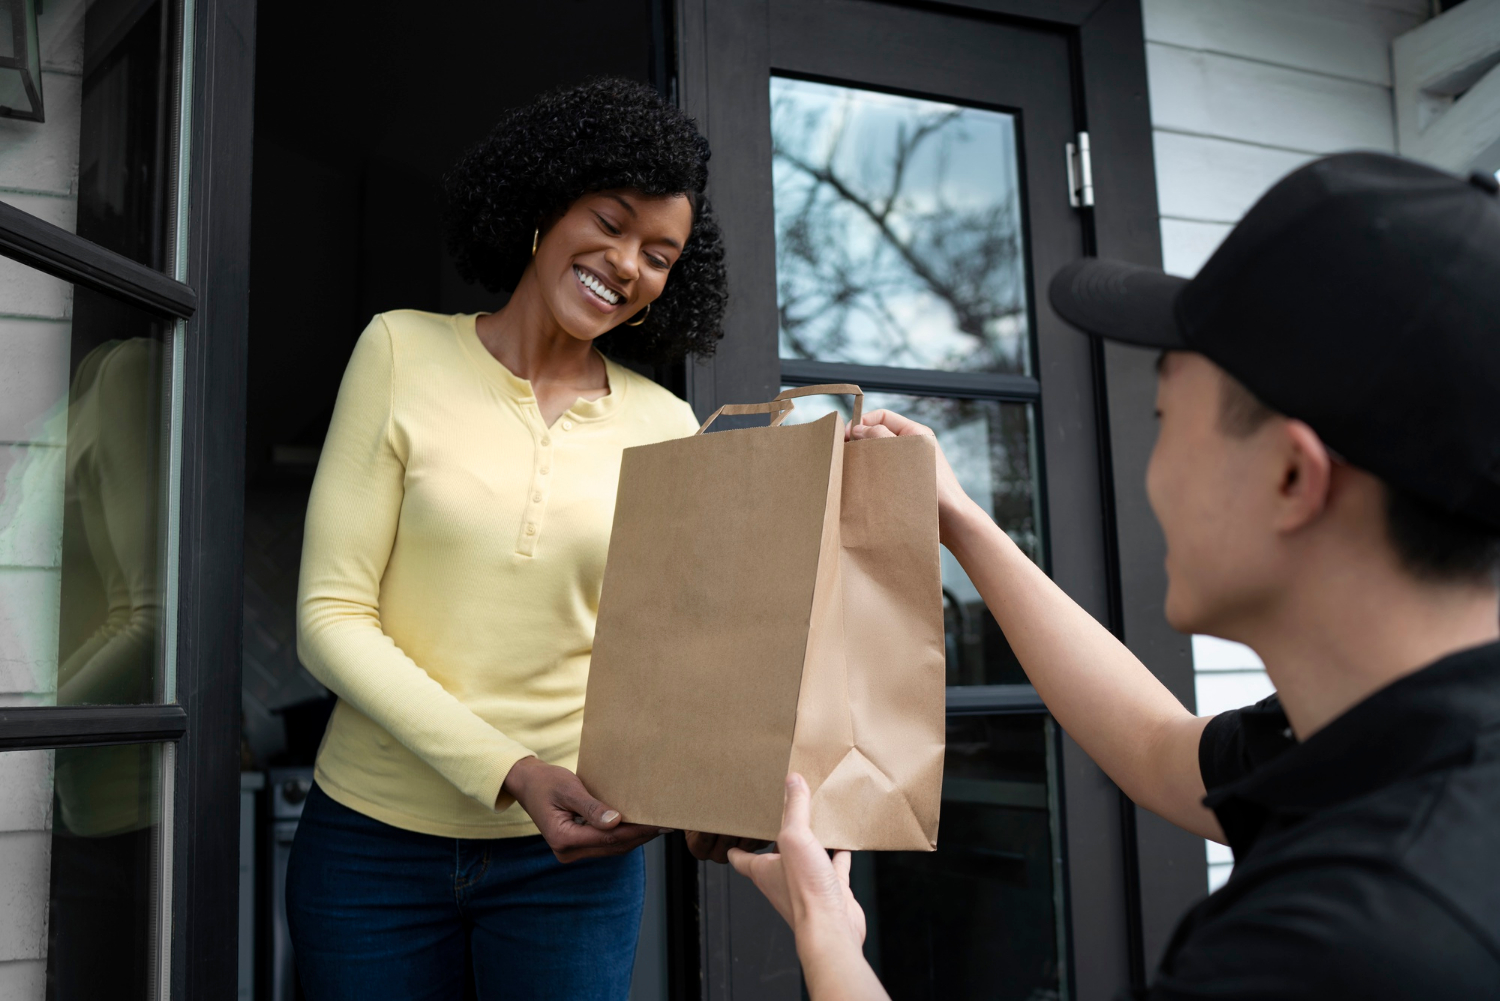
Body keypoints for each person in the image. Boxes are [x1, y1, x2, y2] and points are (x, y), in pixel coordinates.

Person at [731, 153, 1500, 997]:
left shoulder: (1344, 940)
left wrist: (827, 937)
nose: (1152, 474)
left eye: (1164, 418)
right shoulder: (1393, 748)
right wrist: (961, 521)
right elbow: (1157, 746)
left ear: (1291, 476)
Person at [287, 78, 756, 1001]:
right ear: (546, 205)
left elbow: (678, 655)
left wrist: (677, 790)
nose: (626, 264)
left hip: (570, 865)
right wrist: (511, 771)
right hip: (370, 850)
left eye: (658, 256)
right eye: (610, 222)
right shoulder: (399, 352)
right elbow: (329, 618)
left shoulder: (668, 427)